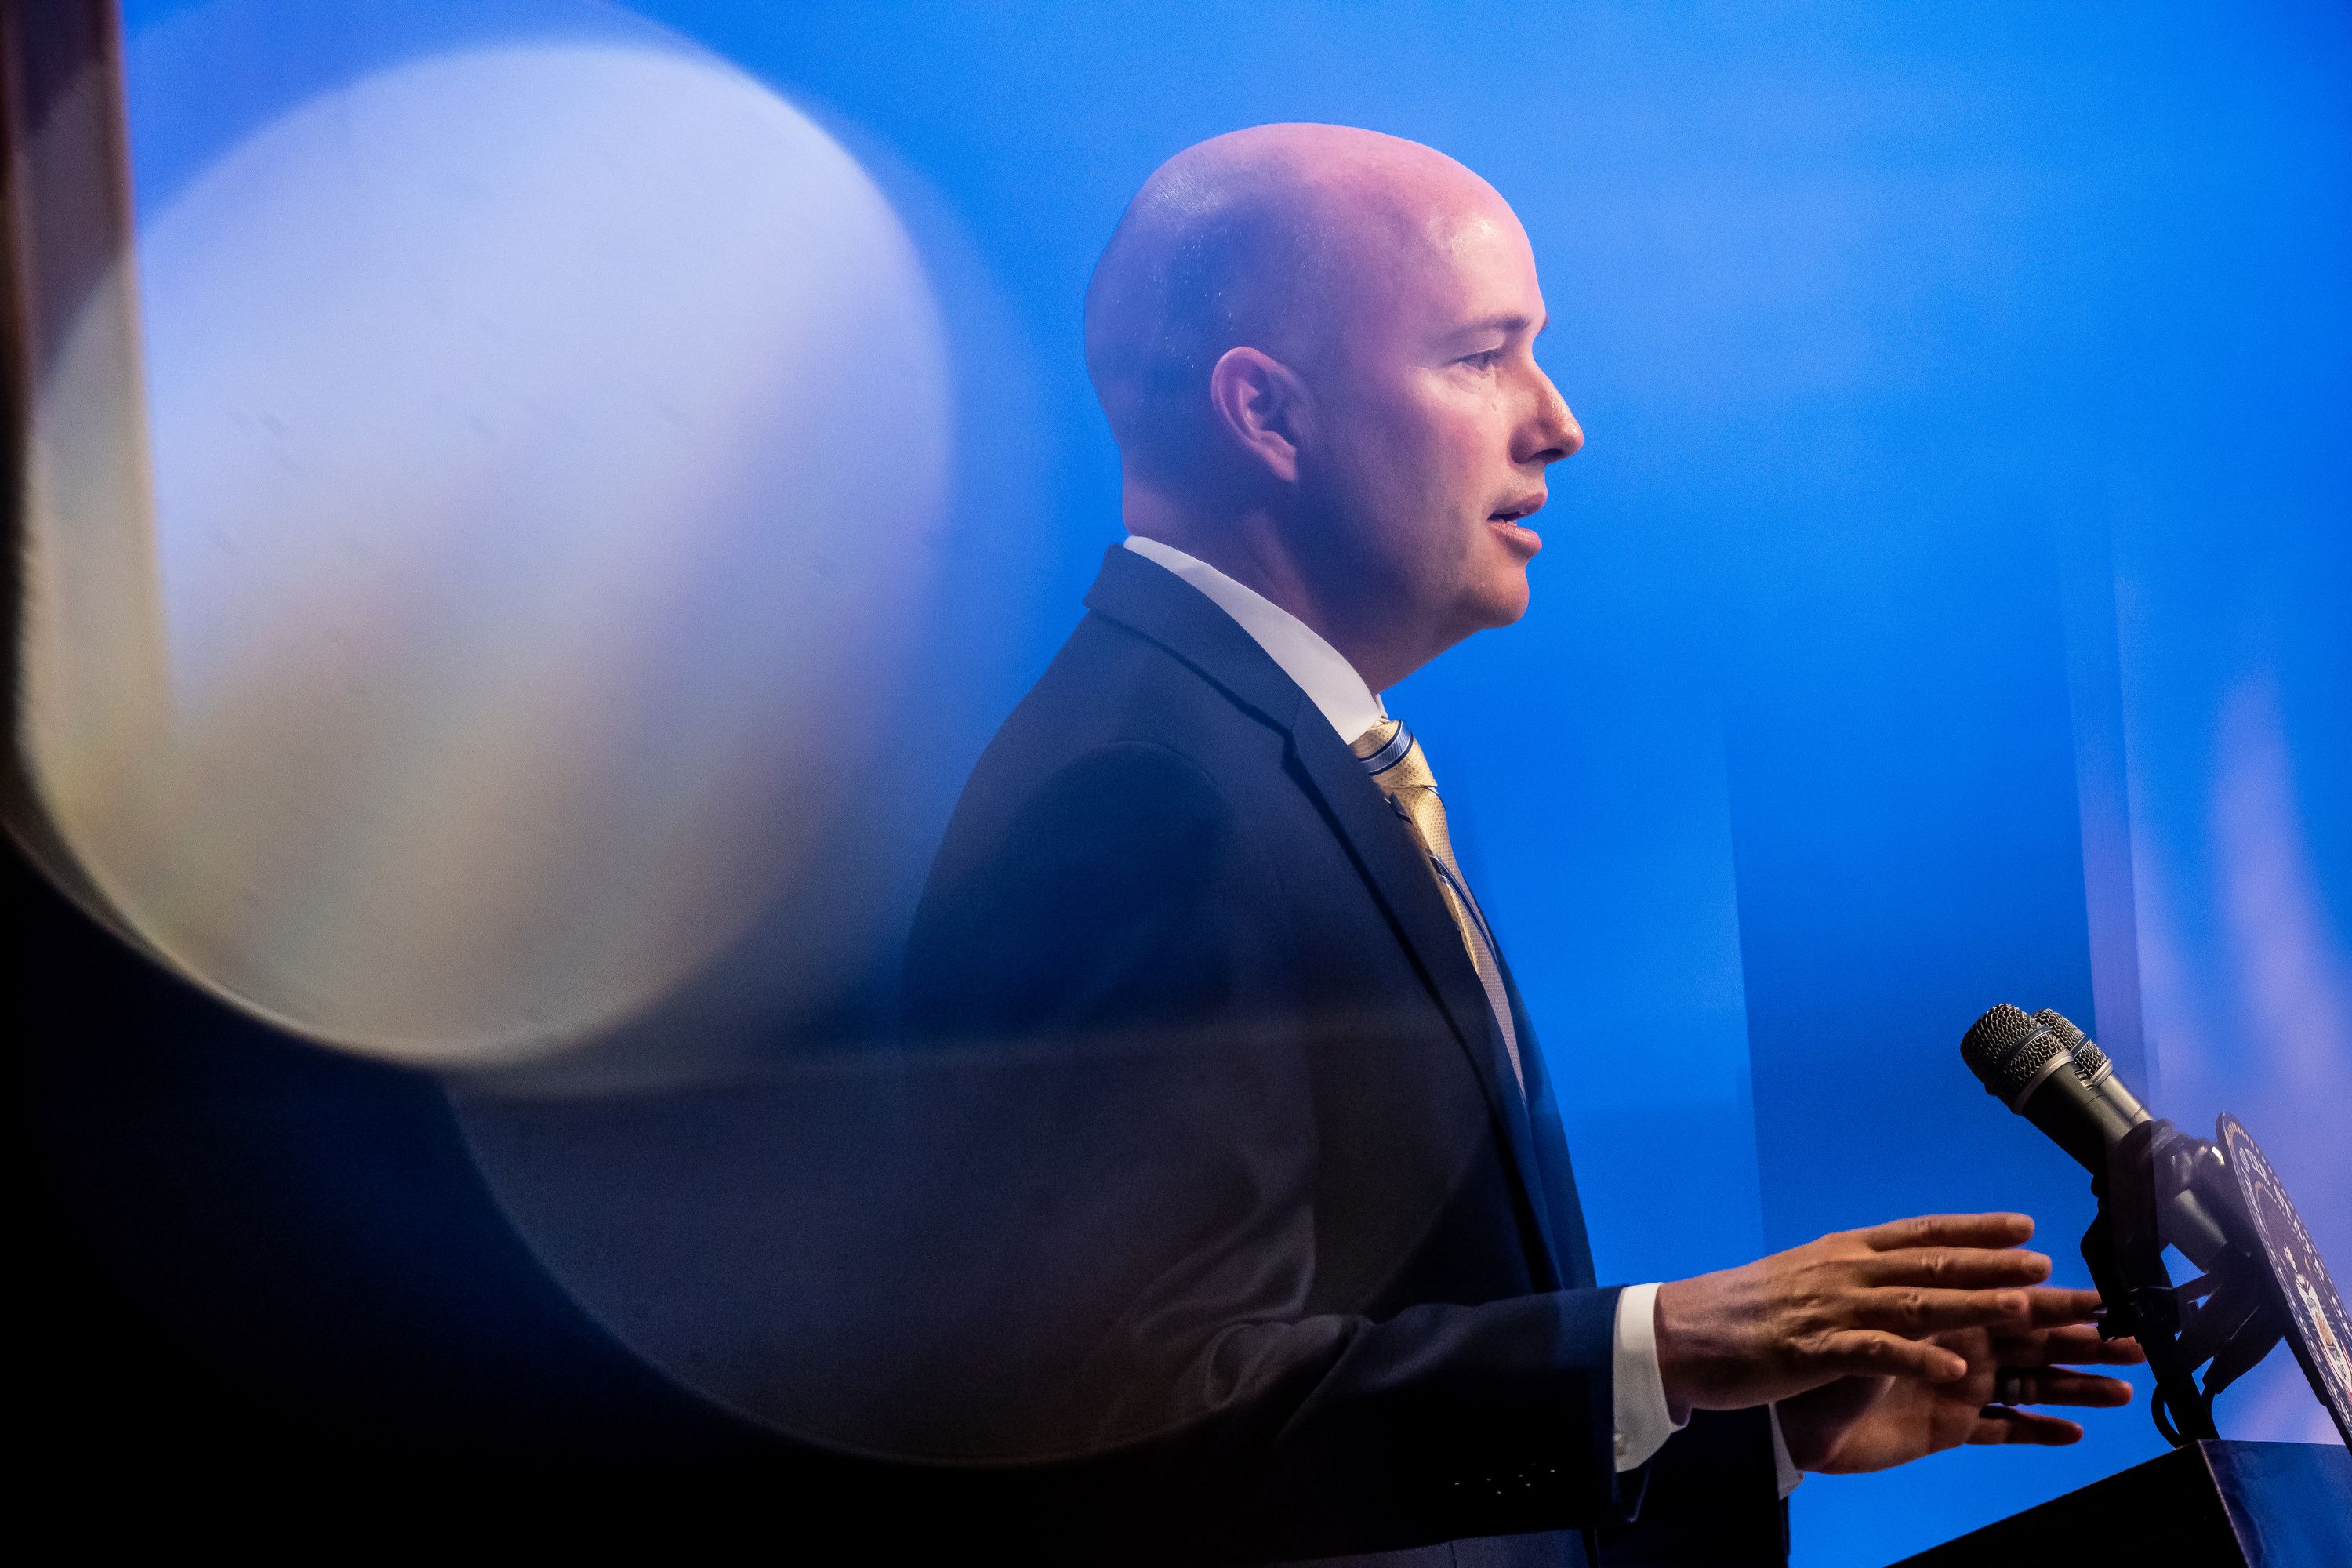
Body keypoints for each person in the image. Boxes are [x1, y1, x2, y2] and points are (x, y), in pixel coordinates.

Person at [899, 123, 2140, 1565]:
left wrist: (1754, 1424)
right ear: (1269, 414)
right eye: (1482, 356)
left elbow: (1338, 1431)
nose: (1556, 423)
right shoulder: (1138, 796)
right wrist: (1659, 1347)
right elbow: (1125, 1433)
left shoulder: (1284, 761)